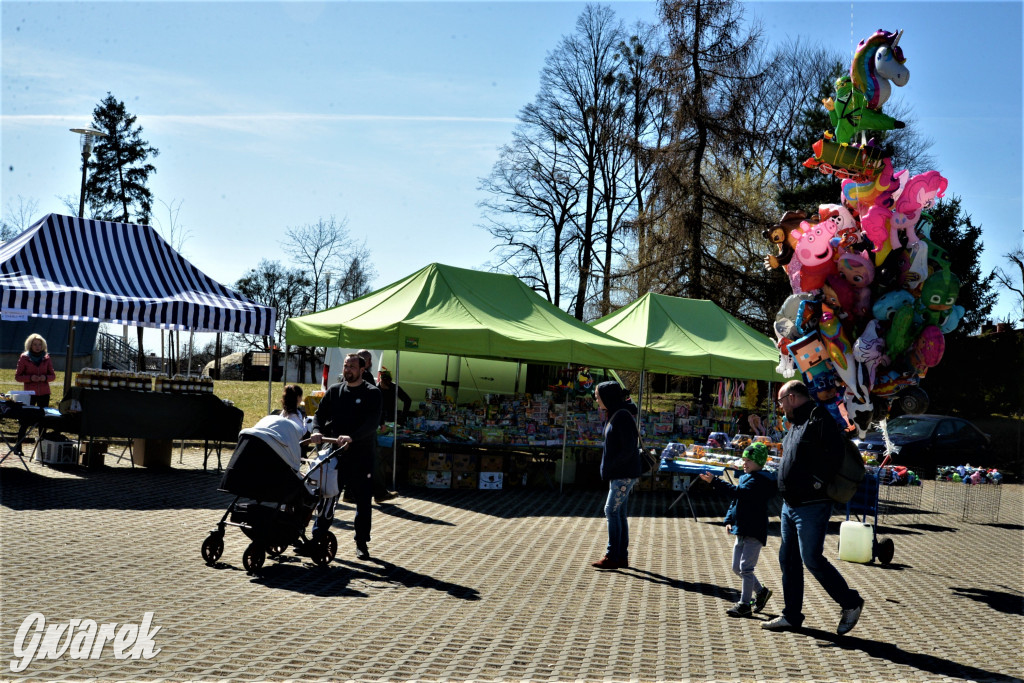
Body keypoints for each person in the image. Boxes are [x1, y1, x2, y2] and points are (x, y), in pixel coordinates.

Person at [762, 380, 864, 634]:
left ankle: (850, 603)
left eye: (781, 401)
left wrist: (817, 484)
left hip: (811, 504)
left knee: (811, 558)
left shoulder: (820, 419)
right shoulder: (796, 423)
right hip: (790, 504)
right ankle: (791, 616)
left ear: (793, 398)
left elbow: (834, 456)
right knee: (789, 559)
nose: (780, 407)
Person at [310, 353, 382, 560]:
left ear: (362, 370)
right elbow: (319, 415)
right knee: (328, 497)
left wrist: (353, 437)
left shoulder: (372, 393)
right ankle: (318, 536)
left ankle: (361, 543)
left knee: (363, 502)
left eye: (352, 366)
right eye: (345, 366)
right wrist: (316, 430)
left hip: (361, 457)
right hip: (335, 456)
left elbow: (372, 423)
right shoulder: (334, 391)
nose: (347, 370)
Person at [699, 442, 777, 618]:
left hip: (754, 530)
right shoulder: (746, 477)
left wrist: (715, 482)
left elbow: (737, 494)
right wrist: (729, 519)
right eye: (743, 459)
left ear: (759, 462)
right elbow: (736, 502)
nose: (744, 463)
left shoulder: (759, 481)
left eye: (748, 460)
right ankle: (761, 592)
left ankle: (744, 604)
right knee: (736, 567)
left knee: (746, 568)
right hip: (741, 528)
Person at [592, 381, 642, 570]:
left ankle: (613, 555)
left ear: (607, 397)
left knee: (611, 511)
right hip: (621, 473)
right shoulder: (616, 413)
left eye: (598, 396)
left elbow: (628, 447)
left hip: (624, 473)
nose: (596, 399)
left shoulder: (621, 415)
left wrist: (613, 465)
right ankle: (621, 556)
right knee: (618, 512)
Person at [13, 333, 56, 453]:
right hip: (30, 394)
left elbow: (52, 376)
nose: (37, 347)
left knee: (43, 420)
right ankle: (18, 447)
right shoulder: (24, 357)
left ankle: (41, 451)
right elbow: (18, 377)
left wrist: (44, 378)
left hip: (44, 393)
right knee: (25, 421)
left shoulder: (47, 358)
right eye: (35, 344)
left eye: (40, 344)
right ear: (30, 345)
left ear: (43, 346)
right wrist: (31, 378)